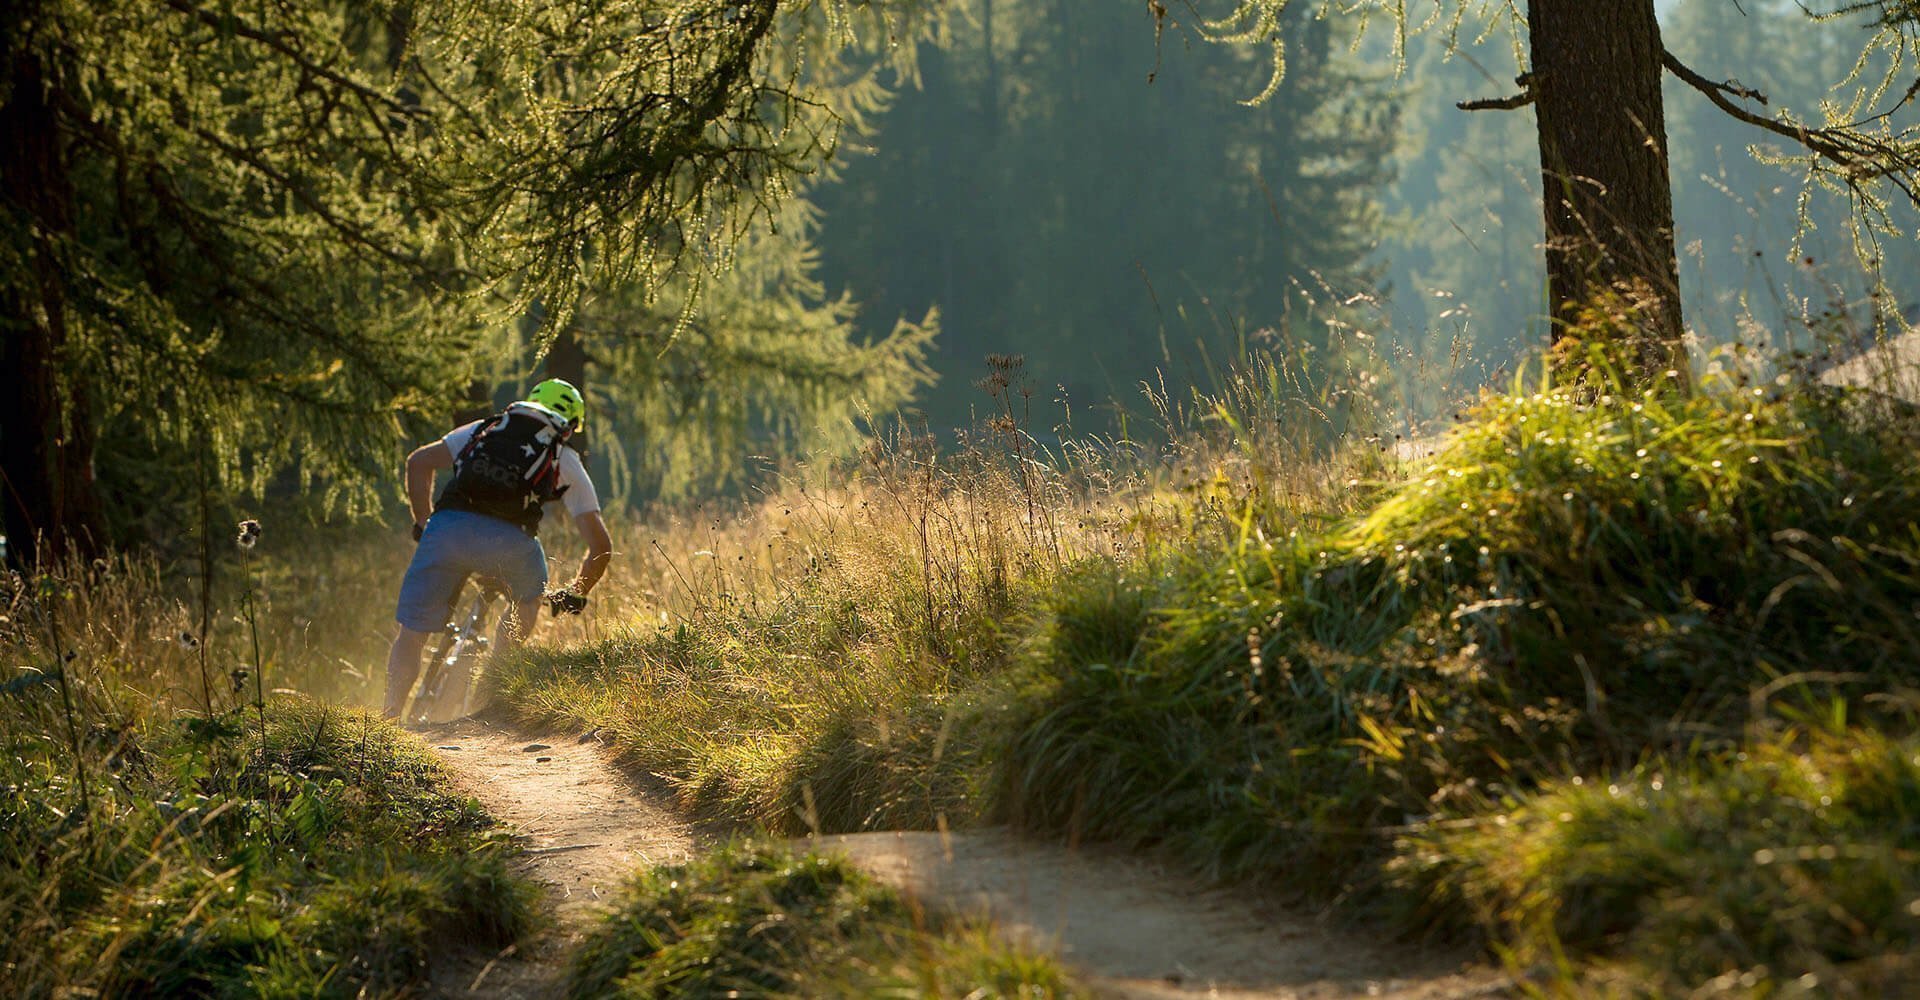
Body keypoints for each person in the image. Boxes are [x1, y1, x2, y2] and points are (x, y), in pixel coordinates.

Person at [383, 378, 613, 719]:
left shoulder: (485, 429)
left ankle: (388, 718)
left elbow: (419, 462)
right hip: (511, 545)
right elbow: (601, 546)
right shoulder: (562, 457)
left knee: (412, 633)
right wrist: (577, 591)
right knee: (527, 599)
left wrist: (424, 523)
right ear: (570, 425)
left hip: (447, 531)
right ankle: (492, 689)